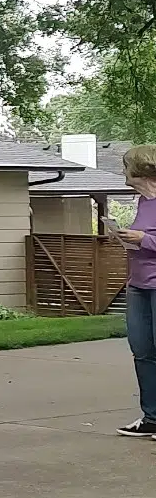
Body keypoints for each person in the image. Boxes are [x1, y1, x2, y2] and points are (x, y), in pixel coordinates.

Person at [114, 145, 156, 437]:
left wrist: (143, 238)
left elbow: (149, 239)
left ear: (141, 168)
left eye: (125, 165)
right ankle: (152, 418)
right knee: (142, 352)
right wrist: (126, 237)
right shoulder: (142, 202)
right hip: (138, 286)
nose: (123, 171)